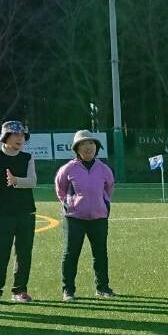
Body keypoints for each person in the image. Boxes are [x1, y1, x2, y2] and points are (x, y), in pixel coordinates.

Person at [0, 120, 37, 305]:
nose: (20, 139)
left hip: (26, 211)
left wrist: (16, 180)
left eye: (22, 136)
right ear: (5, 137)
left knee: (24, 253)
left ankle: (20, 290)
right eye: (16, 135)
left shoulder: (27, 157)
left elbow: (33, 181)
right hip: (1, 212)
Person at [54, 129, 116, 301]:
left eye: (91, 143)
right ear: (77, 148)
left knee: (100, 254)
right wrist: (71, 204)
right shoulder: (68, 169)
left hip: (99, 218)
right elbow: (60, 189)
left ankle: (103, 288)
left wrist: (101, 203)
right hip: (74, 218)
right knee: (71, 254)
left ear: (96, 147)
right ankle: (68, 290)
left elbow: (109, 188)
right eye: (83, 144)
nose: (88, 147)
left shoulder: (104, 169)